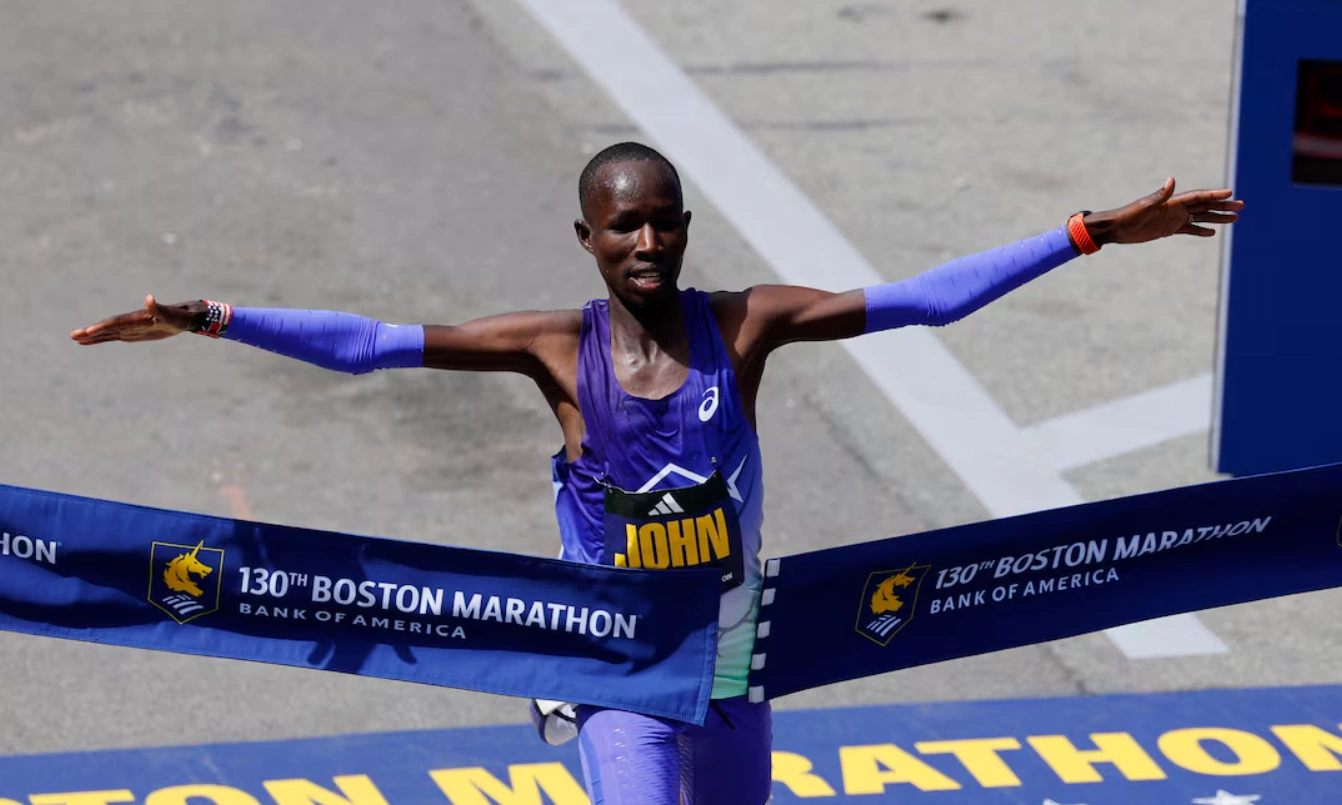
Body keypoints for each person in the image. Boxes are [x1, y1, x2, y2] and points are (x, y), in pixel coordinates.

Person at [70, 141, 1243, 804]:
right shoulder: (551, 348)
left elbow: (927, 298)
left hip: (735, 660)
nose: (646, 243)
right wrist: (217, 317)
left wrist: (1088, 233)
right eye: (621, 226)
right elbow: (372, 343)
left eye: (664, 223)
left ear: (683, 227)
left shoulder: (745, 326)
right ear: (586, 237)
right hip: (621, 670)